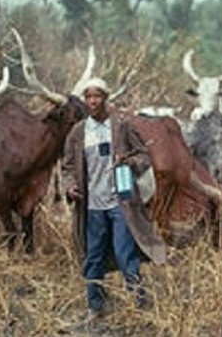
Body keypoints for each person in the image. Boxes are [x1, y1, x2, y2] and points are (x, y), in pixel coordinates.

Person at [61, 77, 167, 319]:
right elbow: (67, 167)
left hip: (121, 203)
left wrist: (128, 161)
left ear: (106, 98)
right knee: (93, 256)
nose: (92, 101)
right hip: (92, 206)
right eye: (88, 97)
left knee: (124, 254)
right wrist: (70, 187)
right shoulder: (78, 132)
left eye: (97, 96)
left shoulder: (121, 125)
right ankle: (95, 307)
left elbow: (144, 157)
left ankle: (140, 305)